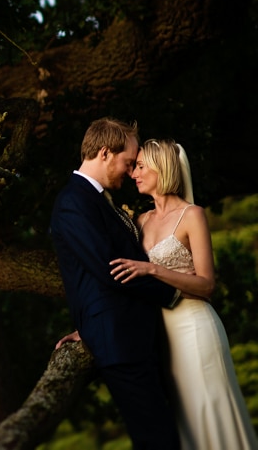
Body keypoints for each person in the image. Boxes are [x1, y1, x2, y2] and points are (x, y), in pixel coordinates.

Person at [108, 139, 258, 449]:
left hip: (194, 329)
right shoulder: (141, 221)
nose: (133, 172)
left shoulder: (192, 215)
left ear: (161, 169)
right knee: (183, 421)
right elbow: (126, 281)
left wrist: (154, 270)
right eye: (134, 166)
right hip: (161, 335)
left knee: (208, 411)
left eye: (140, 166)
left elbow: (206, 285)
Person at [50, 117, 180, 449]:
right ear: (105, 153)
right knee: (157, 439)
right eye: (127, 162)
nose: (130, 170)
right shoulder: (73, 202)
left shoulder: (95, 199)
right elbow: (112, 270)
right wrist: (175, 290)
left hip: (132, 336)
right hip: (121, 343)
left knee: (165, 432)